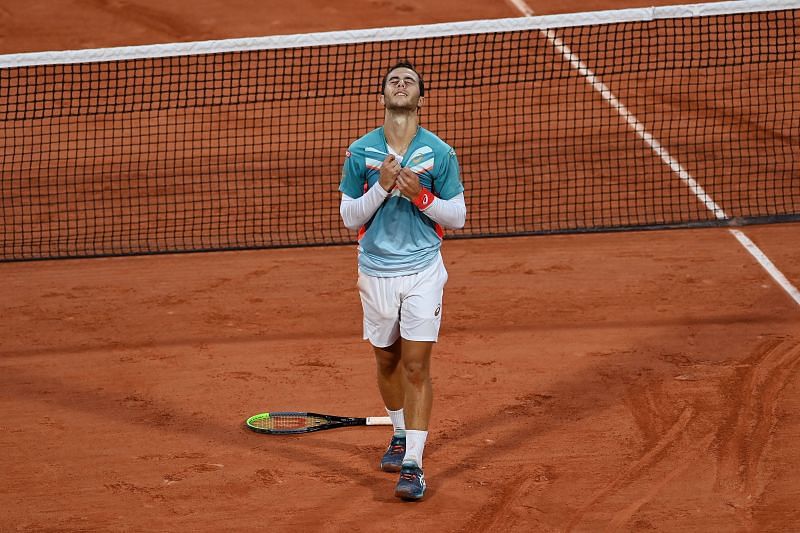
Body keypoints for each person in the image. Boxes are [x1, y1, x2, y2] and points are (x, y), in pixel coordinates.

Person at [338, 61, 466, 501]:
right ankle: (398, 432)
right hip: (374, 272)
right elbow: (348, 217)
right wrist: (380, 188)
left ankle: (413, 463)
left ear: (420, 99)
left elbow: (458, 216)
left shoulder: (440, 153)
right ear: (383, 97)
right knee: (387, 361)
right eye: (393, 80)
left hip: (423, 270)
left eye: (409, 80)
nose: (401, 83)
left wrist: (421, 196)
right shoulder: (360, 153)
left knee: (415, 365)